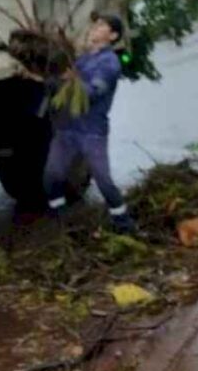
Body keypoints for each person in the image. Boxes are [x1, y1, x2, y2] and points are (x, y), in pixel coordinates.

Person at [43, 15, 134, 232]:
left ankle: (123, 223)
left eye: (103, 25)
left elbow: (93, 93)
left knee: (104, 182)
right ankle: (62, 221)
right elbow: (61, 84)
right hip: (67, 130)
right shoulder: (83, 59)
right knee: (51, 177)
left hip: (92, 132)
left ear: (112, 36)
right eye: (97, 23)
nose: (96, 27)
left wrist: (70, 79)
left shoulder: (110, 63)